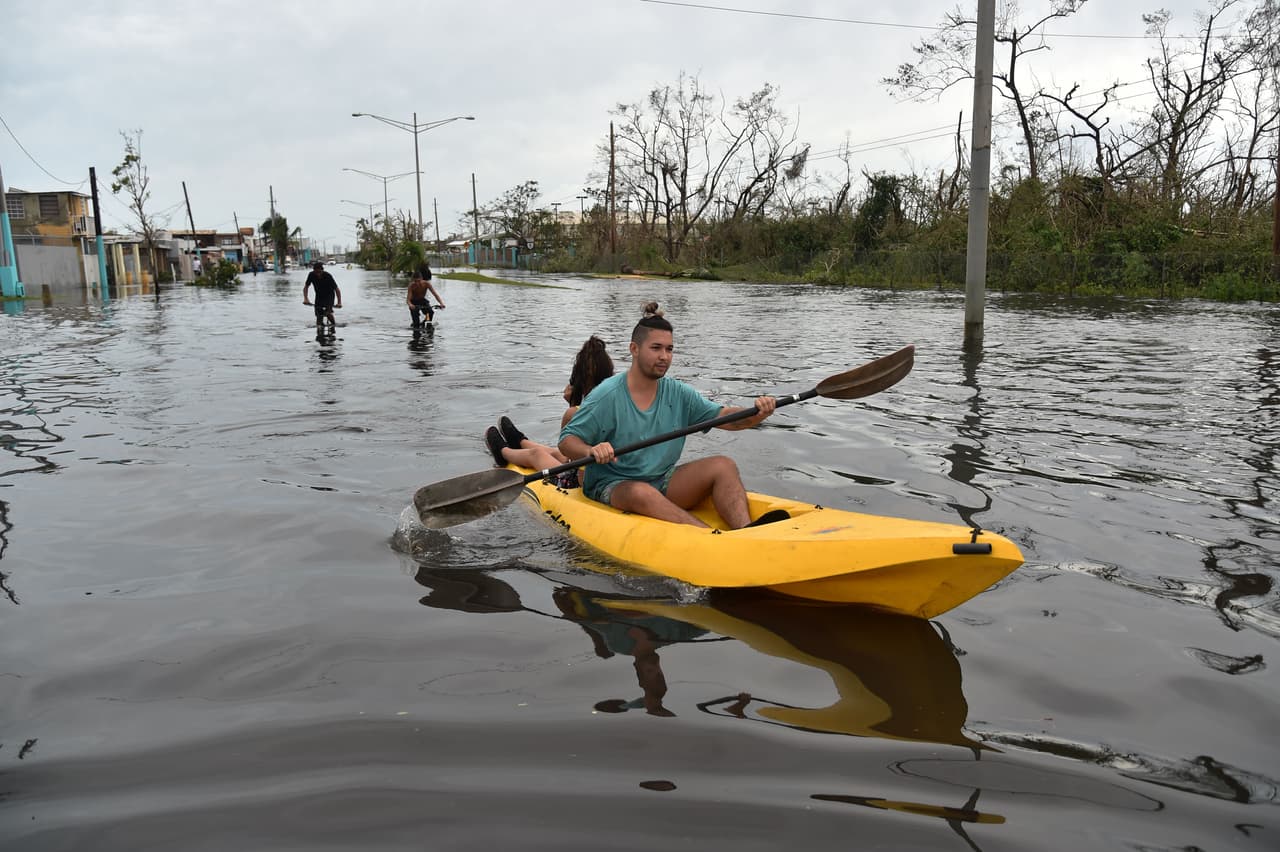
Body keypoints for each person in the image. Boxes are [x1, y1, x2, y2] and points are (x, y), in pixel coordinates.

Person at [558, 302, 783, 530]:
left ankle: (746, 530)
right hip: (613, 485)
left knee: (723, 465)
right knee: (641, 492)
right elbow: (567, 440)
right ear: (634, 349)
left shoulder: (678, 392)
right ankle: (709, 537)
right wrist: (590, 450)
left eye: (669, 349)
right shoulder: (606, 394)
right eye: (656, 348)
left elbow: (725, 417)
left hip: (662, 480)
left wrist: (758, 413)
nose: (664, 356)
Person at [484, 336, 614, 478]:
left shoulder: (573, 413)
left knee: (537, 454)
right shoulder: (617, 402)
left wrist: (572, 405)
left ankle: (503, 452)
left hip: (579, 478)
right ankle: (520, 442)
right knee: (556, 454)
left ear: (578, 377)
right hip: (590, 466)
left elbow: (566, 447)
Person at [302, 261, 342, 326]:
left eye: (319, 272)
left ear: (322, 270)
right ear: (313, 271)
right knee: (319, 315)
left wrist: (339, 302)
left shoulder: (328, 276)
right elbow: (306, 287)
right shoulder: (311, 275)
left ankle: (334, 325)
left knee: (327, 313)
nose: (318, 274)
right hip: (319, 296)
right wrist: (306, 299)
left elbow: (337, 289)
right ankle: (319, 330)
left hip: (329, 295)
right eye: (316, 272)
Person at [406, 264, 445, 328]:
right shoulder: (411, 286)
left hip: (422, 301)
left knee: (430, 312)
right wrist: (410, 305)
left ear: (421, 279)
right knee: (416, 324)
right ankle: (416, 325)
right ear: (413, 280)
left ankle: (425, 323)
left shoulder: (426, 284)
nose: (417, 283)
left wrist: (441, 303)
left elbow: (435, 295)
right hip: (414, 302)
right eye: (415, 281)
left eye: (418, 281)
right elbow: (408, 300)